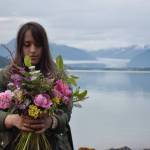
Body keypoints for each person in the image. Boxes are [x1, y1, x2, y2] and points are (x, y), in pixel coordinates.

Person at [0, 22, 74, 150]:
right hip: (11, 144)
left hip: (53, 145)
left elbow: (66, 113)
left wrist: (51, 121)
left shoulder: (57, 76)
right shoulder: (6, 76)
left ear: (44, 47)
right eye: (27, 45)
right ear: (20, 47)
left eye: (38, 45)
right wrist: (10, 119)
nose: (33, 50)